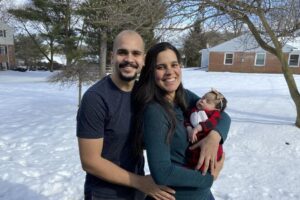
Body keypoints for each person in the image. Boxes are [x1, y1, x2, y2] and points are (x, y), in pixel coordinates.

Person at [76, 30, 176, 200]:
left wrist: (214, 136)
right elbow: (90, 161)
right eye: (122, 52)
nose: (129, 59)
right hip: (105, 193)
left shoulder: (144, 93)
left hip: (138, 191)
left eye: (136, 53)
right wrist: (140, 182)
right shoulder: (96, 98)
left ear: (143, 60)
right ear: (112, 56)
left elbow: (193, 102)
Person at [132, 42, 231, 200]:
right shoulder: (155, 111)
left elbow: (221, 115)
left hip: (202, 195)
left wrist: (214, 136)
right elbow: (163, 172)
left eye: (174, 64)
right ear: (151, 71)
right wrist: (209, 178)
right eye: (161, 67)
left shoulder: (182, 96)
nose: (170, 72)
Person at [185, 89, 227, 172]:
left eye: (207, 101)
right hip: (195, 142)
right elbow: (186, 120)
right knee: (193, 155)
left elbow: (211, 123)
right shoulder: (192, 110)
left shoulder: (214, 114)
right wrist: (189, 128)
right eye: (202, 97)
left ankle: (205, 171)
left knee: (206, 159)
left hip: (209, 143)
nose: (202, 101)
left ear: (216, 108)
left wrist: (198, 128)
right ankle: (191, 169)